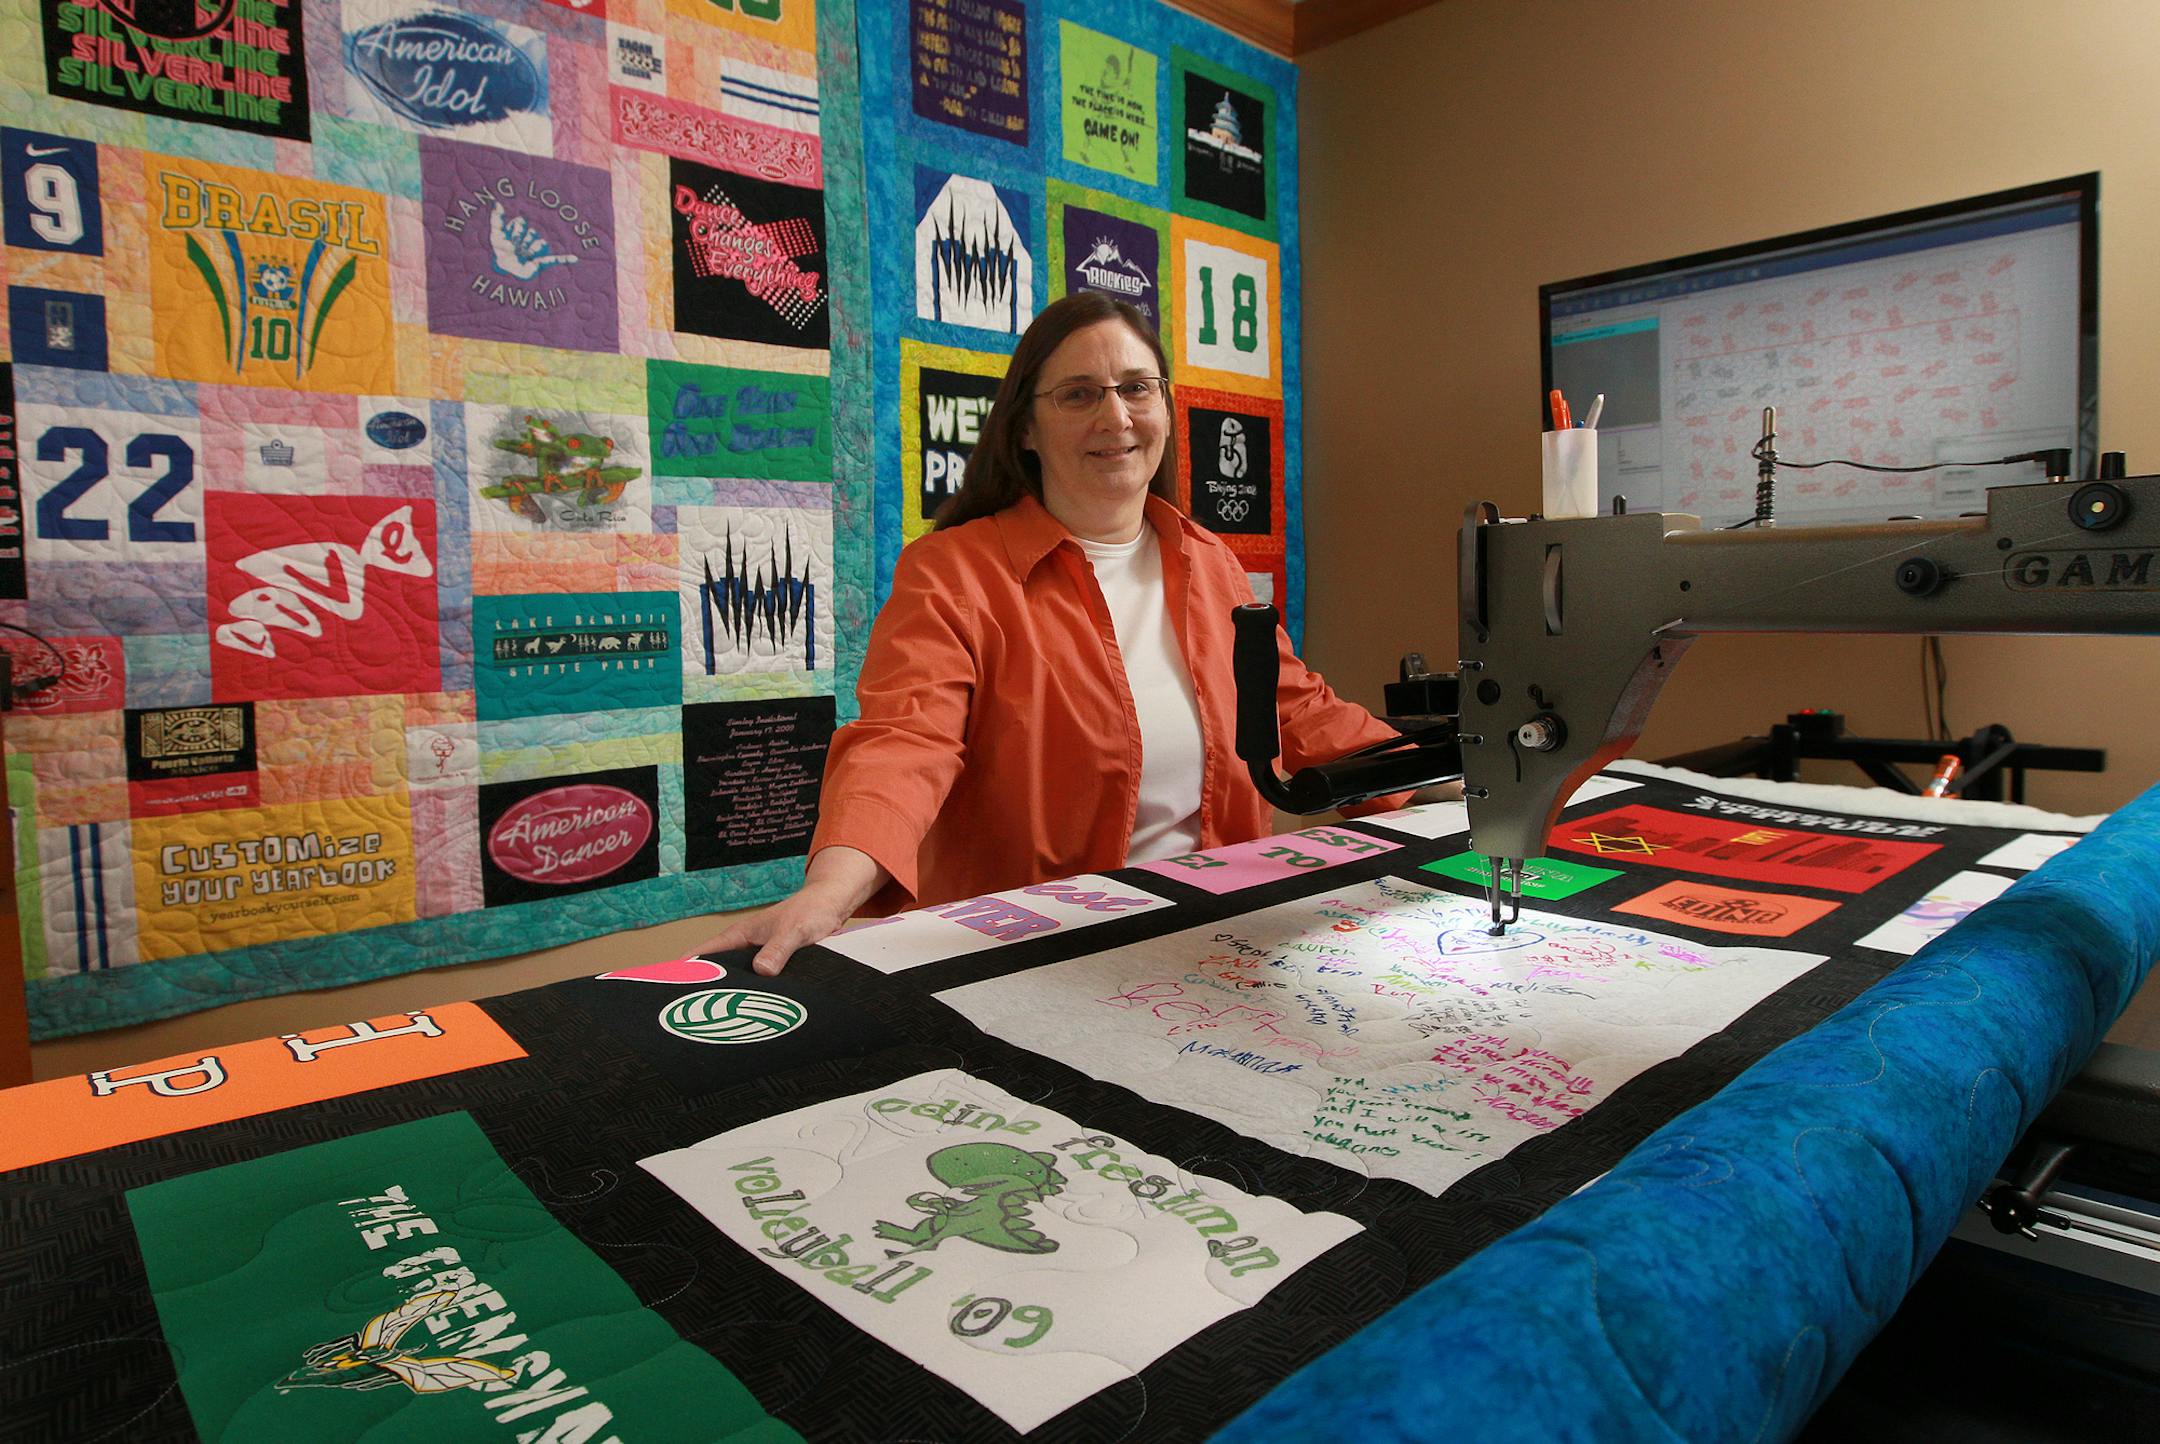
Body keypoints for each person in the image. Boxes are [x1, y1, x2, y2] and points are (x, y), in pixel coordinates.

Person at [702, 292, 1433, 974]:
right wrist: (831, 889)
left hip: (1214, 948)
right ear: (1024, 426)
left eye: (1136, 388)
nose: (1115, 419)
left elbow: (1295, 708)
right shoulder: (952, 572)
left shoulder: (1212, 564)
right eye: (1079, 394)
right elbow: (905, 740)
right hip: (1028, 962)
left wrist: (1447, 782)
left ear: (1168, 409)